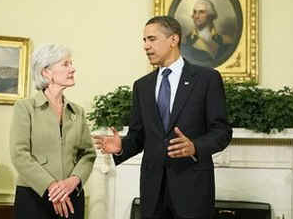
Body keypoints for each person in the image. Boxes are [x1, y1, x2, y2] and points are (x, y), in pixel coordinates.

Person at [94, 16, 232, 219]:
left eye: (152, 39)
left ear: (173, 40)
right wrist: (121, 146)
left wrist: (195, 147)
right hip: (153, 193)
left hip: (192, 190)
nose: (146, 46)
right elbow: (138, 136)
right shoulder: (142, 86)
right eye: (144, 40)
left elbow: (222, 131)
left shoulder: (206, 79)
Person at [10, 44, 96, 219]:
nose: (73, 69)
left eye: (71, 64)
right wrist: (52, 188)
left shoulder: (77, 111)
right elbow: (19, 154)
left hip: (72, 196)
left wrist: (73, 182)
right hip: (34, 197)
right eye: (65, 64)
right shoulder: (25, 108)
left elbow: (88, 154)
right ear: (46, 72)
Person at [181, 0, 233, 68]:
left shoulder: (225, 41)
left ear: (210, 15)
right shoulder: (185, 41)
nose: (196, 16)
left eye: (201, 12)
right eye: (195, 12)